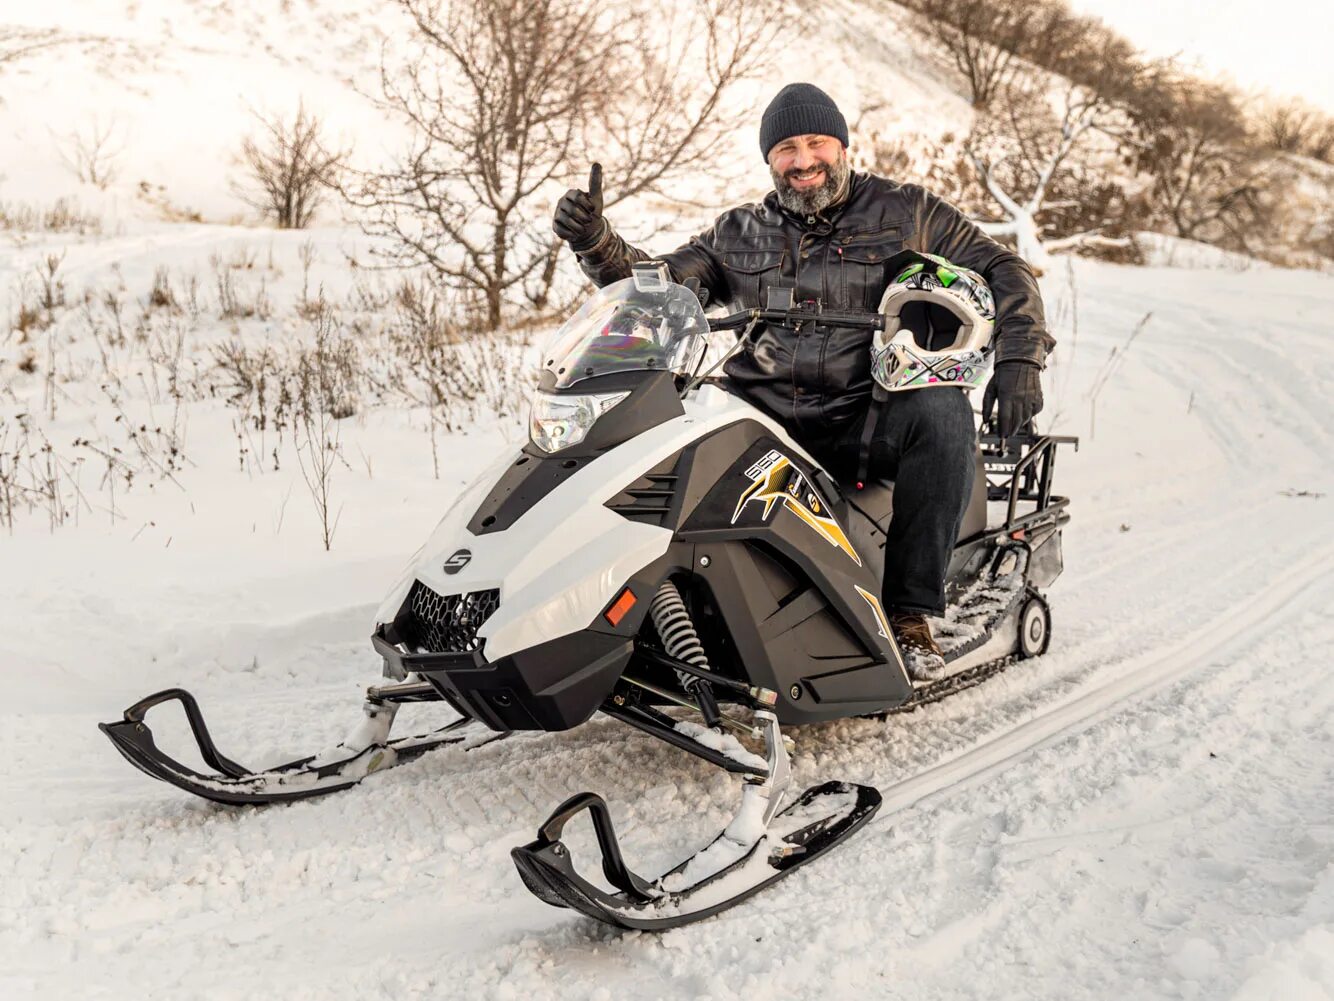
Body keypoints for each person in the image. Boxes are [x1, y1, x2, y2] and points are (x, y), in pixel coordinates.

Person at [552, 82, 1054, 680]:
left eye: (816, 142)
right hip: (760, 421)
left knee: (942, 413)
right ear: (770, 161)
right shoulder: (738, 233)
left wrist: (1022, 358)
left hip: (863, 420)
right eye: (786, 148)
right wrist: (595, 243)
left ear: (842, 146)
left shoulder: (906, 211)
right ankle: (620, 608)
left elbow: (1004, 266)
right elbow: (656, 287)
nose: (803, 159)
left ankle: (912, 614)